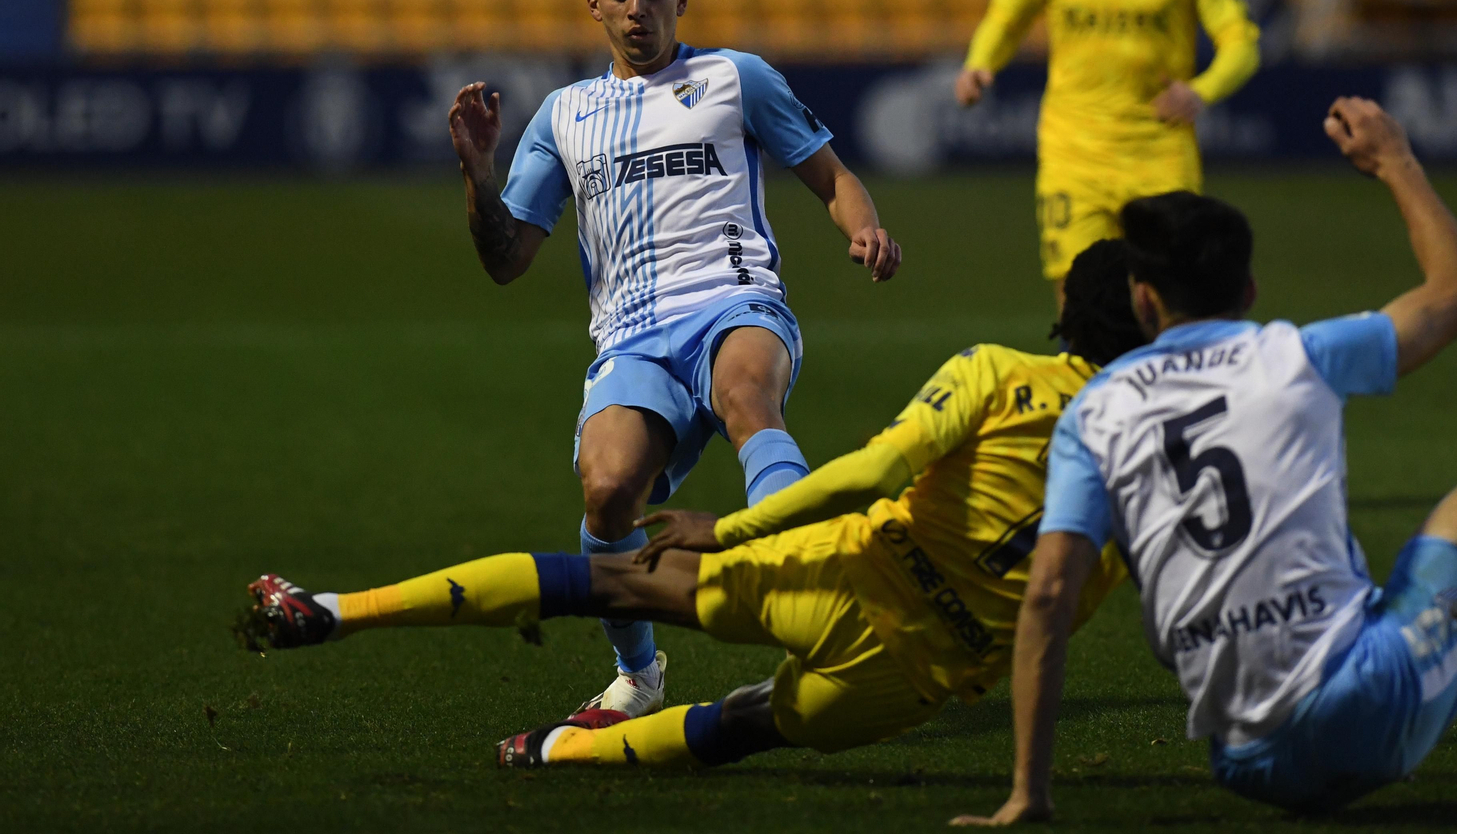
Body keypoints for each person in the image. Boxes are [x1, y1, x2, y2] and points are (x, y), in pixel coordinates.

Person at [237, 241, 1149, 769]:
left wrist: (739, 526)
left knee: (605, 580)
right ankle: (554, 754)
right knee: (744, 725)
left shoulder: (1000, 373)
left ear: (1066, 308)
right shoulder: (1154, 453)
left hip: (838, 573)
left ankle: (337, 612)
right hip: (911, 676)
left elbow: (876, 469)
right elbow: (1074, 602)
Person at [954, 98, 1457, 826]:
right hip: (1367, 706)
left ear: (1145, 300)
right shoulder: (1295, 354)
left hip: (1248, 763)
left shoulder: (1094, 412)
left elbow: (1046, 596)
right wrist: (1395, 161)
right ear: (1250, 292)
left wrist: (1029, 794)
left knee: (1388, 607)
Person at [441, 0, 901, 717]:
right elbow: (506, 259)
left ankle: (806, 603)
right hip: (632, 338)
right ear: (593, 5)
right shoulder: (563, 116)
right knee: (609, 490)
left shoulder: (737, 77)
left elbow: (832, 178)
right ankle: (639, 675)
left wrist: (863, 227)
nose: (636, 9)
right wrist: (480, 170)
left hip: (736, 299)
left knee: (748, 399)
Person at [954, 0, 1259, 305]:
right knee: (1082, 302)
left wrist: (1202, 91)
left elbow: (1242, 42)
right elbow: (1007, 14)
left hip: (1160, 154)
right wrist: (980, 63)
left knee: (1174, 300)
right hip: (1074, 153)